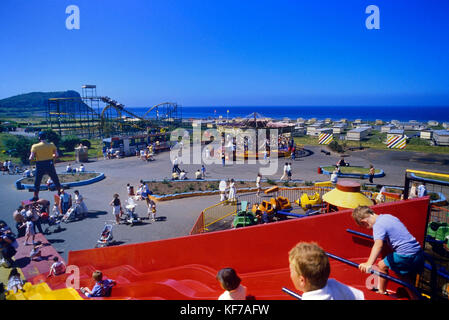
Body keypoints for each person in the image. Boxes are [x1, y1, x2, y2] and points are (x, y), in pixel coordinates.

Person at [352, 206, 424, 297]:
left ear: (364, 222)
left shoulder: (378, 225)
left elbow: (378, 245)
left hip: (406, 254)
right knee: (403, 277)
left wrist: (369, 263)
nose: (369, 229)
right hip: (417, 251)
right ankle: (415, 297)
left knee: (381, 265)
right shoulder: (388, 217)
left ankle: (382, 292)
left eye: (365, 227)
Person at [288, 242, 364, 300]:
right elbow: (359, 297)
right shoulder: (334, 285)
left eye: (291, 270)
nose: (290, 274)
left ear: (302, 280)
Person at [29, 131, 61, 202]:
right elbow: (56, 155)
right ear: (45, 137)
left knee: (37, 181)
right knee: (55, 178)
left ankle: (36, 196)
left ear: (39, 138)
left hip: (40, 164)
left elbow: (31, 157)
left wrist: (34, 158)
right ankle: (59, 192)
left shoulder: (35, 146)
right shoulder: (51, 145)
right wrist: (51, 157)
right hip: (49, 163)